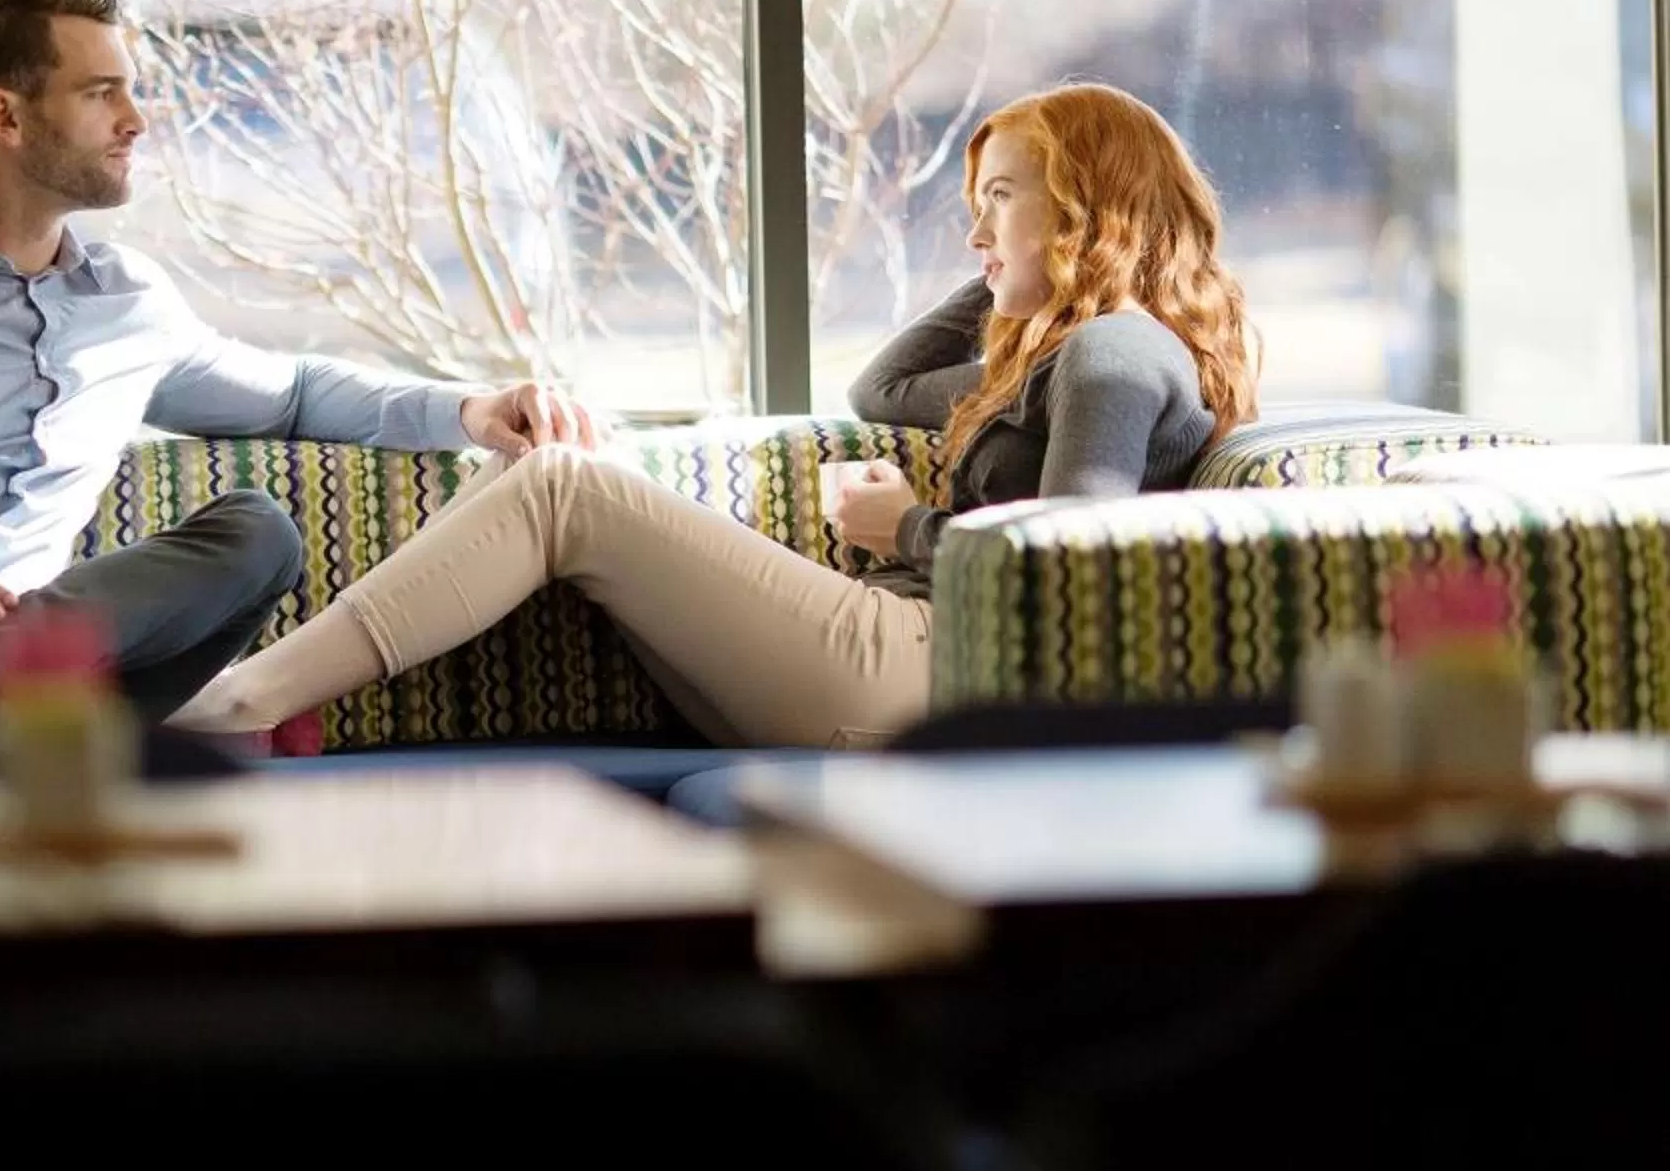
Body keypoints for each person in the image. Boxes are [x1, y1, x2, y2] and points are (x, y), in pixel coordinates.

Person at [168, 82, 1259, 749]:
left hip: (924, 675)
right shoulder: (1076, 343)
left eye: (1002, 198)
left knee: (562, 486)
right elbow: (881, 388)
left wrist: (903, 531)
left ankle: (241, 702)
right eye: (973, 207)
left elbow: (1068, 571)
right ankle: (274, 709)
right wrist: (1016, 261)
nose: (974, 231)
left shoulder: (1116, 355)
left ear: (1087, 209)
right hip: (882, 667)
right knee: (535, 479)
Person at [0, 0, 591, 746]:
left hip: (14, 664)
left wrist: (469, 410)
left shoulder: (128, 303)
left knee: (256, 535)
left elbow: (290, 393)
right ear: (4, 115)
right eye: (101, 94)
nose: (135, 121)